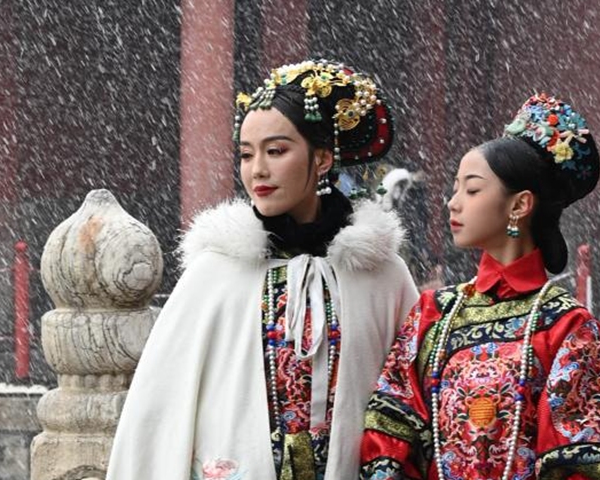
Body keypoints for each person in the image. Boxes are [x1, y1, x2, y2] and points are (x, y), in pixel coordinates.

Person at [106, 59, 419, 480]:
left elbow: (411, 400)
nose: (258, 170)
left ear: (322, 157)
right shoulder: (215, 273)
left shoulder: (381, 275)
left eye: (276, 151)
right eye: (247, 154)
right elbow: (158, 409)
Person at [360, 93, 600, 480]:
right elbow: (390, 430)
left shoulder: (568, 329)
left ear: (520, 205)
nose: (453, 204)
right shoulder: (432, 314)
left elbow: (586, 463)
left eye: (472, 190)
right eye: (455, 189)